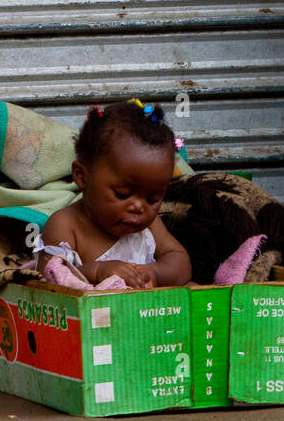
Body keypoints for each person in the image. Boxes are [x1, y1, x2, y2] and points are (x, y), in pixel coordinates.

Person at [36, 99, 192, 290]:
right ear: (82, 176)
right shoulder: (66, 225)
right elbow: (49, 277)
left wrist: (156, 273)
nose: (138, 207)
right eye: (122, 194)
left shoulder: (150, 226)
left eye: (152, 199)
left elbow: (180, 262)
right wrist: (97, 272)